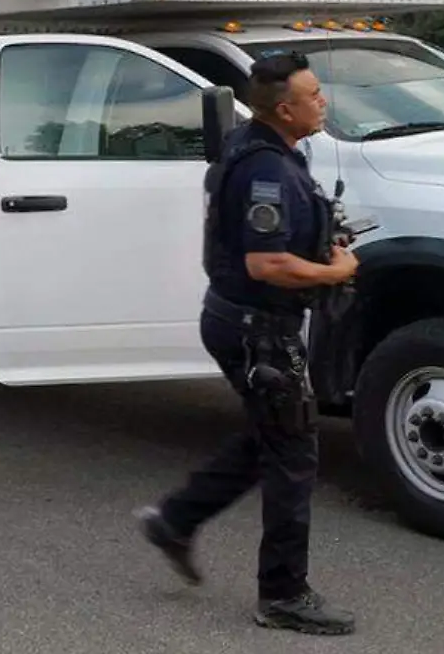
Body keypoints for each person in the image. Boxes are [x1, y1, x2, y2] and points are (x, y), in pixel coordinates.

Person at [135, 52, 359, 636]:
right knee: (294, 454)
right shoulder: (269, 170)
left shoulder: (254, 146)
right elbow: (266, 263)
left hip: (239, 321)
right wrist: (334, 273)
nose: (323, 101)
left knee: (275, 434)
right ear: (284, 109)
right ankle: (283, 595)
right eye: (314, 95)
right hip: (257, 329)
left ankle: (175, 520)